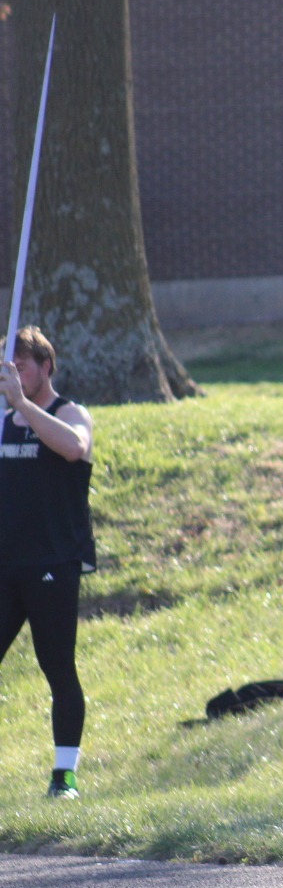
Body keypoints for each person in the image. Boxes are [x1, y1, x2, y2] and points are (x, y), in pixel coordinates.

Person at [0, 327, 97, 799]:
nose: (15, 375)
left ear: (46, 366)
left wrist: (22, 403)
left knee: (57, 665)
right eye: (9, 368)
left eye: (22, 367)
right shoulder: (4, 422)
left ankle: (64, 776)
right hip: (6, 565)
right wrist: (13, 409)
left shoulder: (69, 413)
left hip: (54, 561)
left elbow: (75, 447)